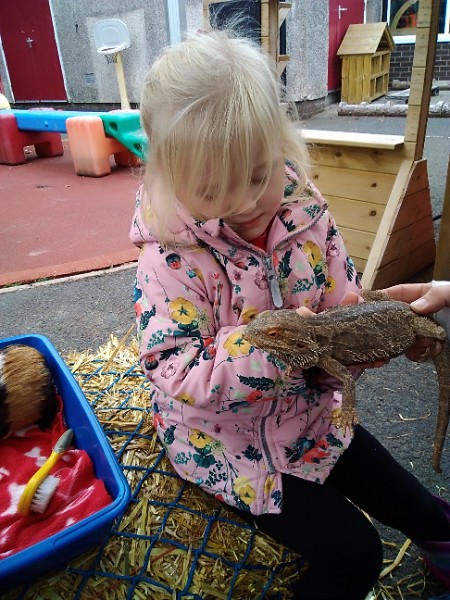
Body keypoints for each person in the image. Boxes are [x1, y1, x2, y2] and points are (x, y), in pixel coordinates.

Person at [130, 29, 450, 599]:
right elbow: (174, 369)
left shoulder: (306, 213)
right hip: (229, 445)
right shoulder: (170, 259)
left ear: (281, 141)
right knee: (355, 553)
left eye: (259, 175)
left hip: (311, 414)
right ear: (170, 176)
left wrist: (363, 337)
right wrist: (272, 352)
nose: (246, 202)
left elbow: (340, 297)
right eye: (214, 190)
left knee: (419, 506)